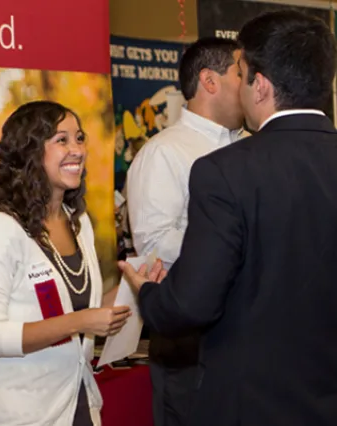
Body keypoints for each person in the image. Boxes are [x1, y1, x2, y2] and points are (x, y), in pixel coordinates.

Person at [119, 10, 337, 426]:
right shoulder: (187, 156)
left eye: (242, 74)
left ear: (261, 86)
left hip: (253, 397)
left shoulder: (227, 169)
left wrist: (147, 293)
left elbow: (190, 303)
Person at [0, 100, 130, 426]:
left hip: (79, 402)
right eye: (62, 140)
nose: (77, 150)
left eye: (80, 138)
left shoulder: (78, 223)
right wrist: (78, 322)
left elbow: (89, 309)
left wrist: (135, 287)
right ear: (29, 152)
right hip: (24, 414)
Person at [125, 37, 246, 426]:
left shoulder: (252, 147)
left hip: (246, 336)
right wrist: (236, 242)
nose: (249, 84)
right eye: (240, 73)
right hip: (189, 342)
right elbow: (155, 247)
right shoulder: (163, 153)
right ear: (210, 82)